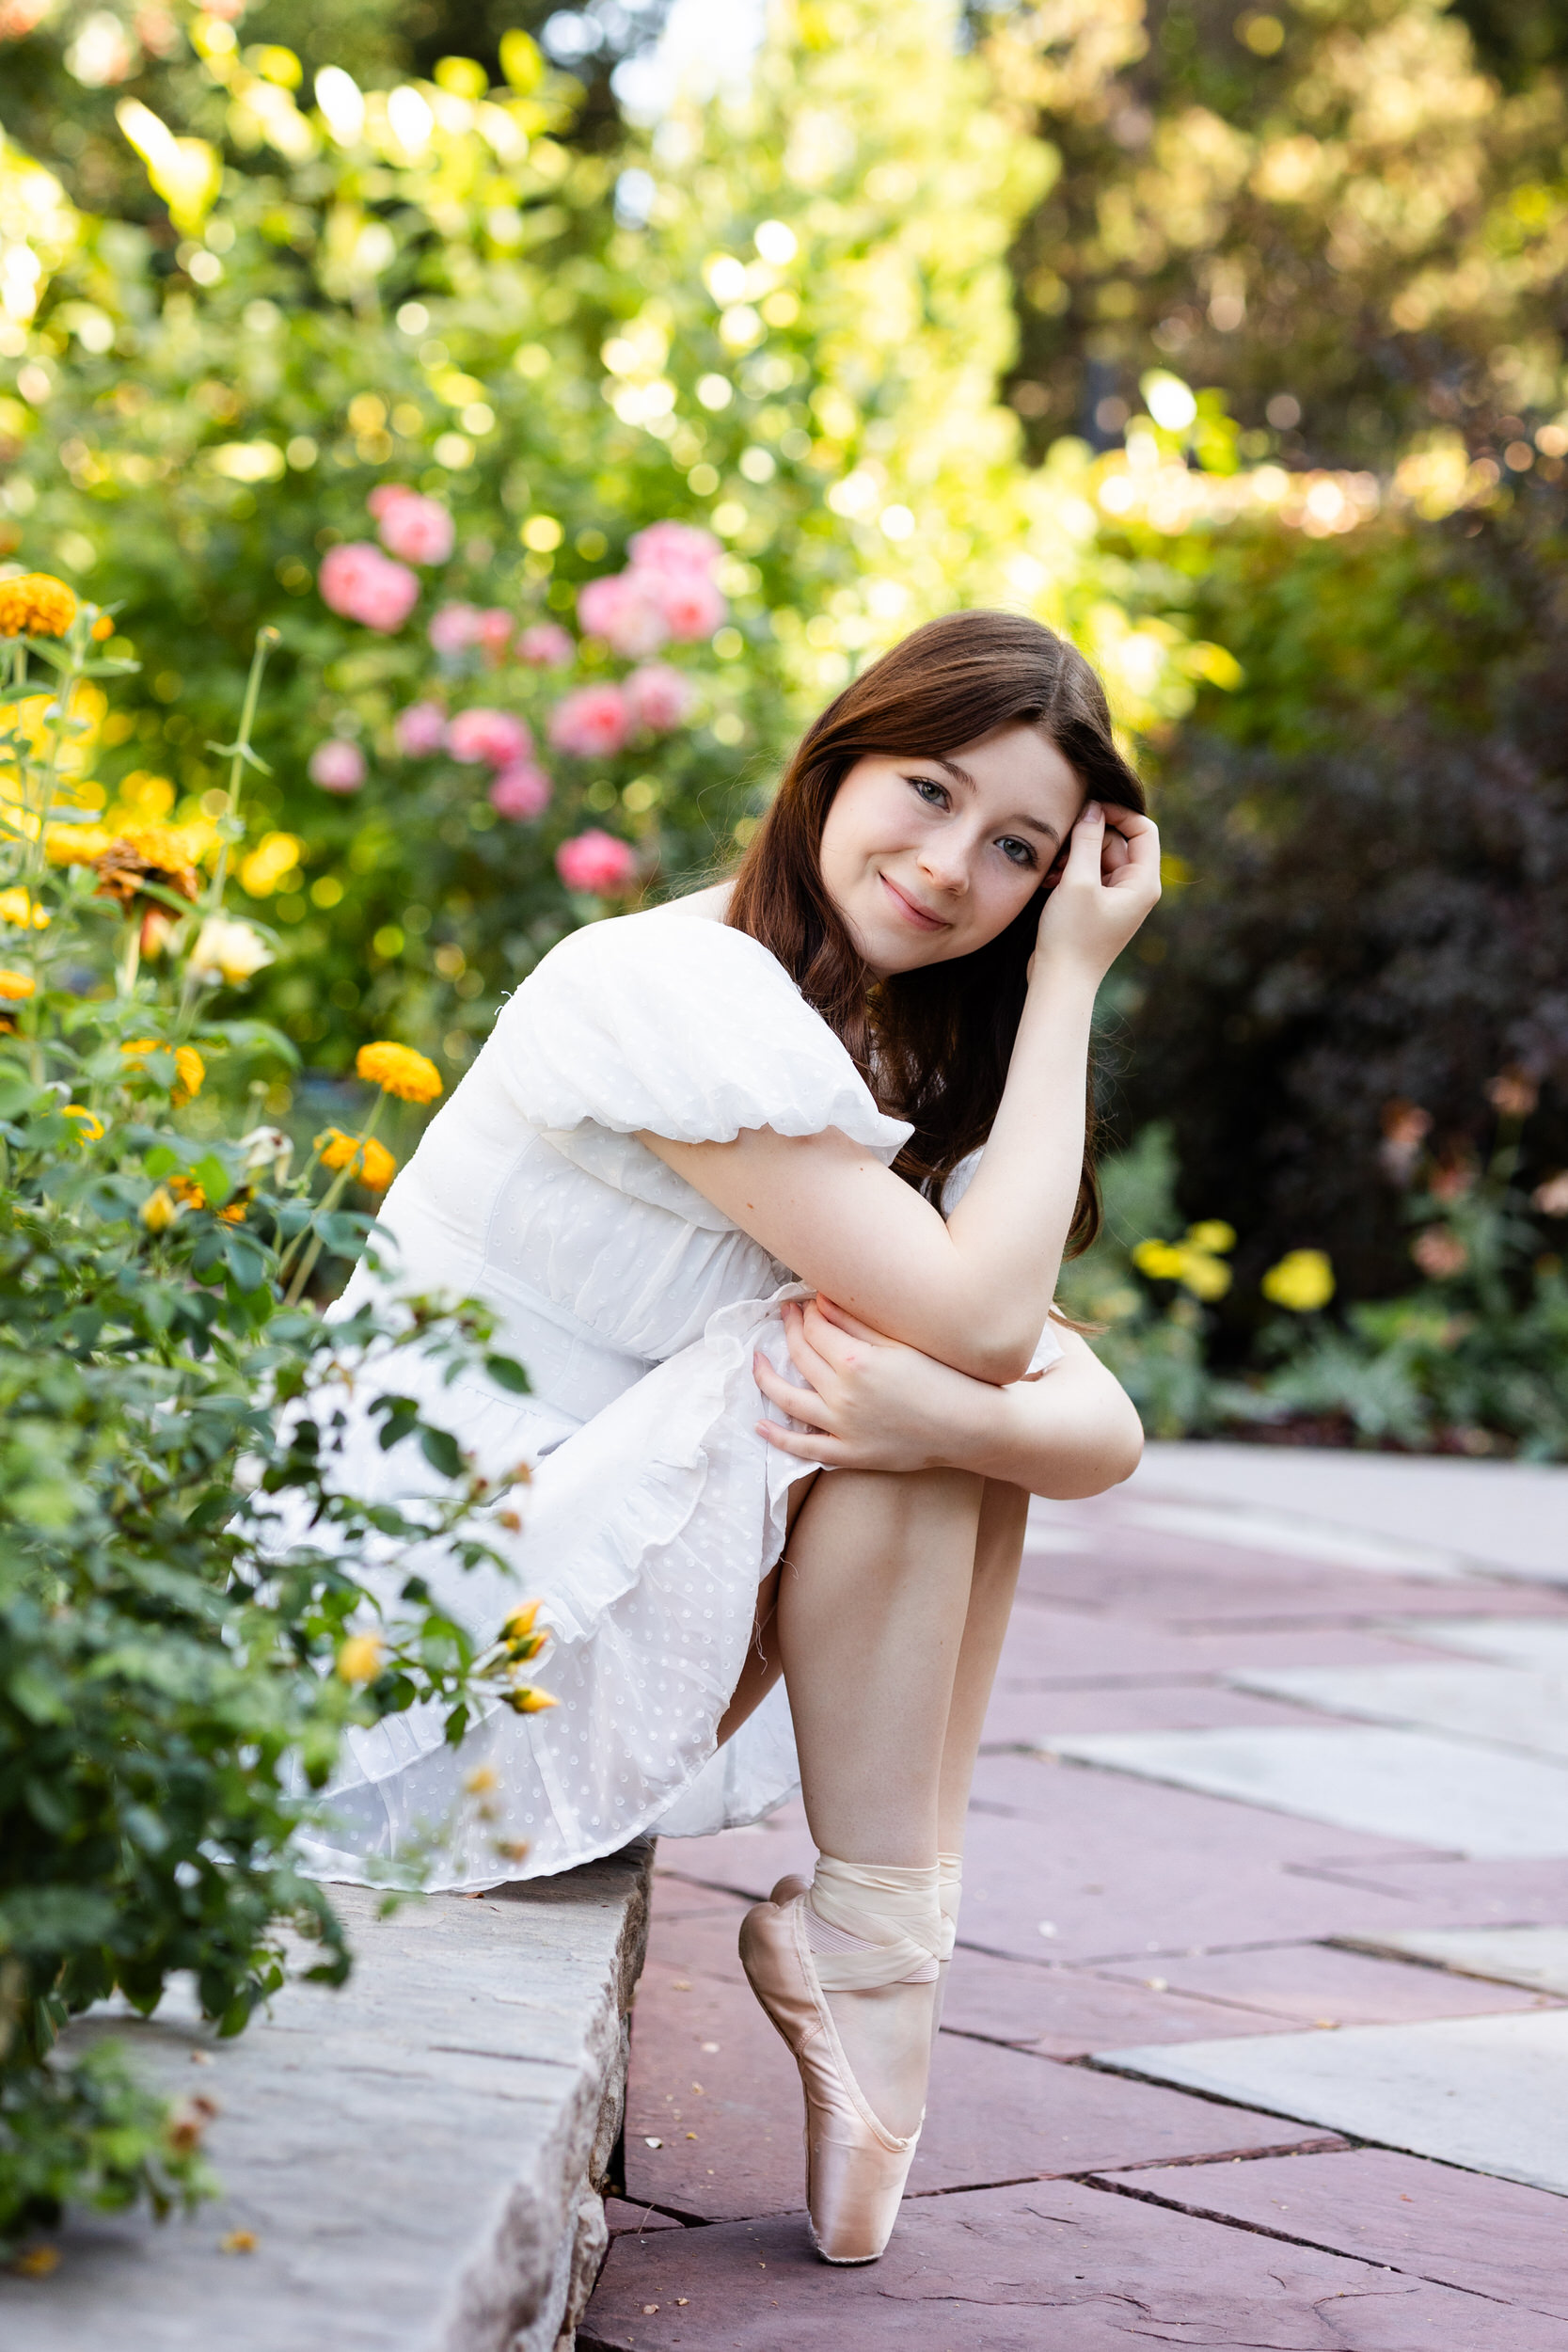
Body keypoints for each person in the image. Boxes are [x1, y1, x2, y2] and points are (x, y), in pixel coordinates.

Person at [305, 608, 1161, 2265]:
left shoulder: (850, 1040)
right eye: (927, 791)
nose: (950, 865)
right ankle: (875, 1957)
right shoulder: (664, 990)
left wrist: (934, 1405)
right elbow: (995, 1333)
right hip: (400, 1661)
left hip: (529, 1605)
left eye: (1017, 849)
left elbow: (1097, 1426)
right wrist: (1072, 981)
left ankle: (885, 1942)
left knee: (913, 1397)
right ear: (837, 761)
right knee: (876, 1370)